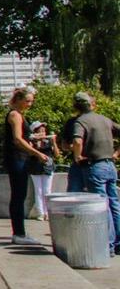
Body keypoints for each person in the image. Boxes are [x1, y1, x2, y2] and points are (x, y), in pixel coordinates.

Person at [68, 91, 120, 255]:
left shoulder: (80, 121)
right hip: (110, 165)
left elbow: (77, 141)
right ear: (92, 104)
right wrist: (116, 154)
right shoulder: (105, 120)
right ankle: (118, 242)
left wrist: (78, 156)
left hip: (95, 166)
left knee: (101, 206)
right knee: (114, 204)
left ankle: (108, 245)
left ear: (76, 106)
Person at [2, 87, 47, 245]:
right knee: (18, 196)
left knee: (20, 195)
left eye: (31, 101)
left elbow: (22, 138)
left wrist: (32, 139)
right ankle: (19, 233)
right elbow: (17, 139)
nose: (30, 104)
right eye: (27, 101)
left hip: (19, 158)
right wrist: (37, 153)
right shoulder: (15, 115)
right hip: (17, 158)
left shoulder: (18, 115)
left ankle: (19, 232)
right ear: (19, 99)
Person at [26, 121, 59, 221]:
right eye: (40, 129)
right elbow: (30, 153)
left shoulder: (48, 141)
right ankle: (40, 213)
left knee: (47, 190)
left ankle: (47, 212)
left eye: (44, 129)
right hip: (35, 167)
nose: (43, 131)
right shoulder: (32, 141)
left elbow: (57, 154)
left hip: (47, 167)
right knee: (38, 191)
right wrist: (36, 140)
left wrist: (54, 142)